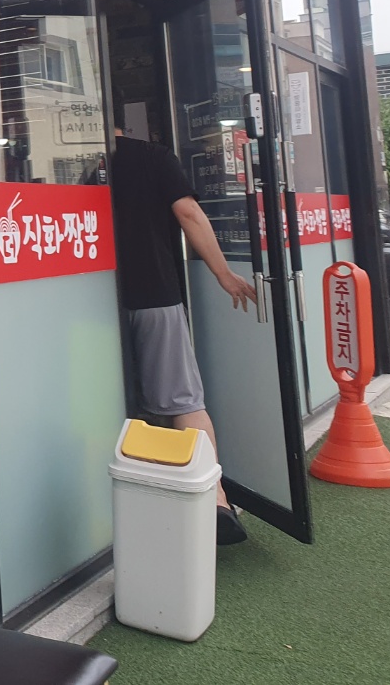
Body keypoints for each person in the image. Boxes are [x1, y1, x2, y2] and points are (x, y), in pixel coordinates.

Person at [108, 98, 257, 546]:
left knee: (114, 405)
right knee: (183, 402)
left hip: (98, 304)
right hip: (154, 295)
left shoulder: (87, 170)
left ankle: (135, 505)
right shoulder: (153, 157)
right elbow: (189, 213)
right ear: (126, 122)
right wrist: (223, 273)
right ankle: (215, 500)